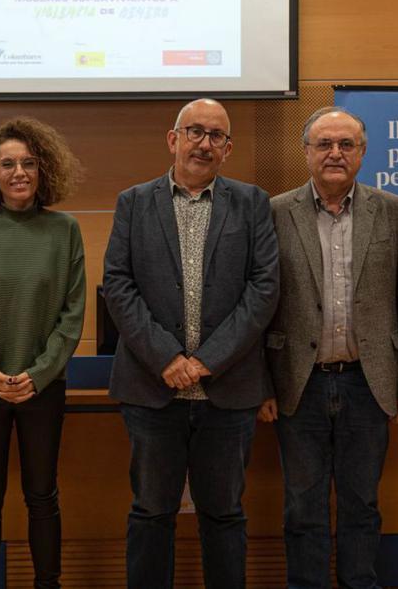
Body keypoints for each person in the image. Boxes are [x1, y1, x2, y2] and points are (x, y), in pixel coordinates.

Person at [102, 98, 280, 589]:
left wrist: (204, 362)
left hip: (227, 392)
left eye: (216, 136)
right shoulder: (133, 202)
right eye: (195, 131)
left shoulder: (252, 202)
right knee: (151, 513)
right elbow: (118, 285)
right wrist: (167, 358)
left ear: (228, 148)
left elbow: (263, 290)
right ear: (173, 138)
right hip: (152, 389)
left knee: (223, 515)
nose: (204, 143)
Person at [260, 107, 398, 589]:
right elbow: (260, 304)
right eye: (324, 143)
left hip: (369, 383)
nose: (335, 153)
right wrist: (263, 382)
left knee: (361, 505)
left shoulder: (392, 209)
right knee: (302, 507)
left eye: (346, 145)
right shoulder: (274, 211)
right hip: (297, 383)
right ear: (305, 152)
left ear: (363, 154)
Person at [0, 117, 86, 589]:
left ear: (44, 169)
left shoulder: (64, 230)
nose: (18, 172)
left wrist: (39, 373)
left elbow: (73, 314)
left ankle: (47, 582)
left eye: (28, 163)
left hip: (42, 389)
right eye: (7, 164)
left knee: (42, 497)